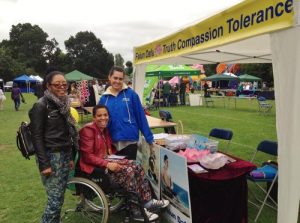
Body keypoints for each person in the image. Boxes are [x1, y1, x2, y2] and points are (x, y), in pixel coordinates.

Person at [79, 105, 169, 221]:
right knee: (129, 171)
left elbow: (108, 152)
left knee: (136, 165)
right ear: (93, 118)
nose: (103, 118)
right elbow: (87, 157)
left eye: (105, 115)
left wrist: (118, 160)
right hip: (96, 170)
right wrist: (108, 164)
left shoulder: (104, 130)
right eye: (99, 115)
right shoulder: (88, 131)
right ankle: (136, 211)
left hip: (105, 162)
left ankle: (147, 202)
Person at [29, 70, 78, 223]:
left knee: (59, 196)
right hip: (51, 157)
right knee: (55, 200)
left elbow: (66, 134)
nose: (62, 87)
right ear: (48, 86)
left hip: (63, 155)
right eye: (57, 84)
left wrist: (70, 156)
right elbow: (36, 136)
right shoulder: (41, 105)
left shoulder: (64, 104)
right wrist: (44, 164)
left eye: (64, 84)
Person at [99, 66, 154, 160]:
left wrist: (149, 138)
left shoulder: (131, 95)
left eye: (120, 79)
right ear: (109, 77)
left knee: (129, 171)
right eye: (115, 78)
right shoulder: (104, 98)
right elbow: (99, 120)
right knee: (114, 172)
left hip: (130, 142)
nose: (117, 81)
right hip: (111, 143)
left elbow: (140, 117)